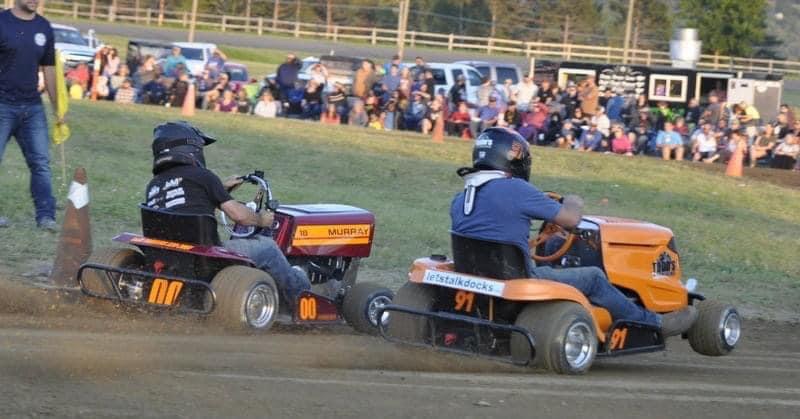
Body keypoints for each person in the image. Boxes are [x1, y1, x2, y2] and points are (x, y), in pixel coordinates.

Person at [449, 127, 697, 337]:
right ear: (513, 157)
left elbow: (500, 235)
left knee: (550, 261)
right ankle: (655, 323)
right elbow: (569, 220)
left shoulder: (462, 197)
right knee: (594, 277)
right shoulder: (516, 189)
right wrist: (574, 202)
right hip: (515, 279)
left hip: (478, 274)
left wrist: (545, 236)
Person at [144, 121, 311, 304]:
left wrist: (221, 188)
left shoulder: (154, 185)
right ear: (190, 147)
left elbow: (187, 204)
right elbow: (240, 216)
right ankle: (299, 293)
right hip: (205, 259)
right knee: (267, 247)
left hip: (168, 258)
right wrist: (261, 220)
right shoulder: (204, 177)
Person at [0, 0, 65, 230]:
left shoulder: (44, 27)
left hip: (32, 108)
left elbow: (49, 70)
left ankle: (46, 217)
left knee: (41, 164)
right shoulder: (2, 21)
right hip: (2, 105)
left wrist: (58, 108)